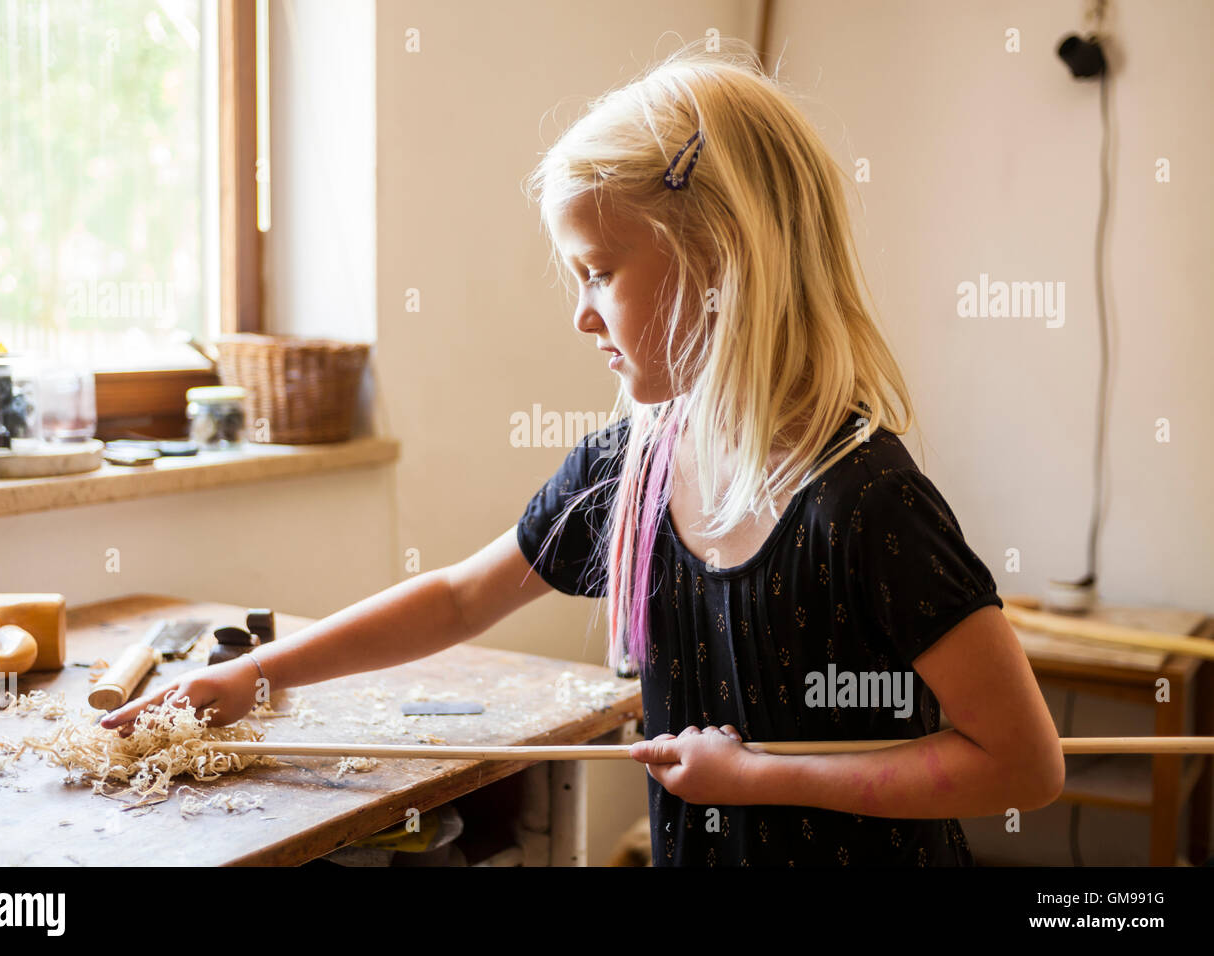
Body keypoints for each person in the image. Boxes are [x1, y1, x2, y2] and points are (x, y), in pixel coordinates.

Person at [103, 39, 1064, 866]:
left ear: (723, 255)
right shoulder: (631, 469)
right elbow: (457, 598)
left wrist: (762, 778)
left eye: (601, 272)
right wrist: (254, 675)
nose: (580, 314)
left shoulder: (868, 504)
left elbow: (1022, 764)